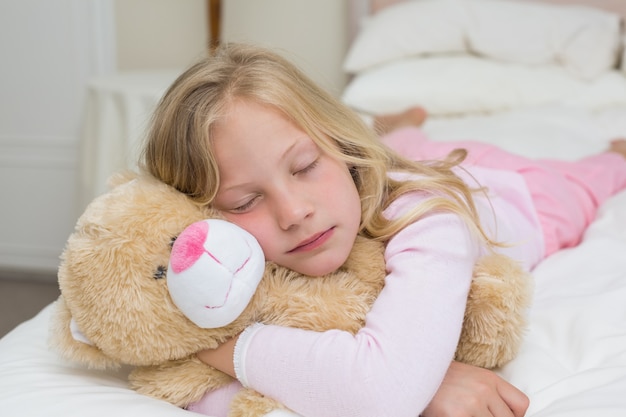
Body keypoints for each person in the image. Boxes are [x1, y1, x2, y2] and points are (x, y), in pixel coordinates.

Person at [140, 43, 626, 417]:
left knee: (599, 172)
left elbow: (381, 393)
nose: (293, 212)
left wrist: (214, 347)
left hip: (521, 194)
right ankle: (401, 127)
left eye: (306, 165)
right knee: (408, 146)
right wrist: (430, 379)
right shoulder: (212, 255)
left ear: (339, 147)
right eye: (245, 201)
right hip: (409, 164)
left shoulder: (429, 217)